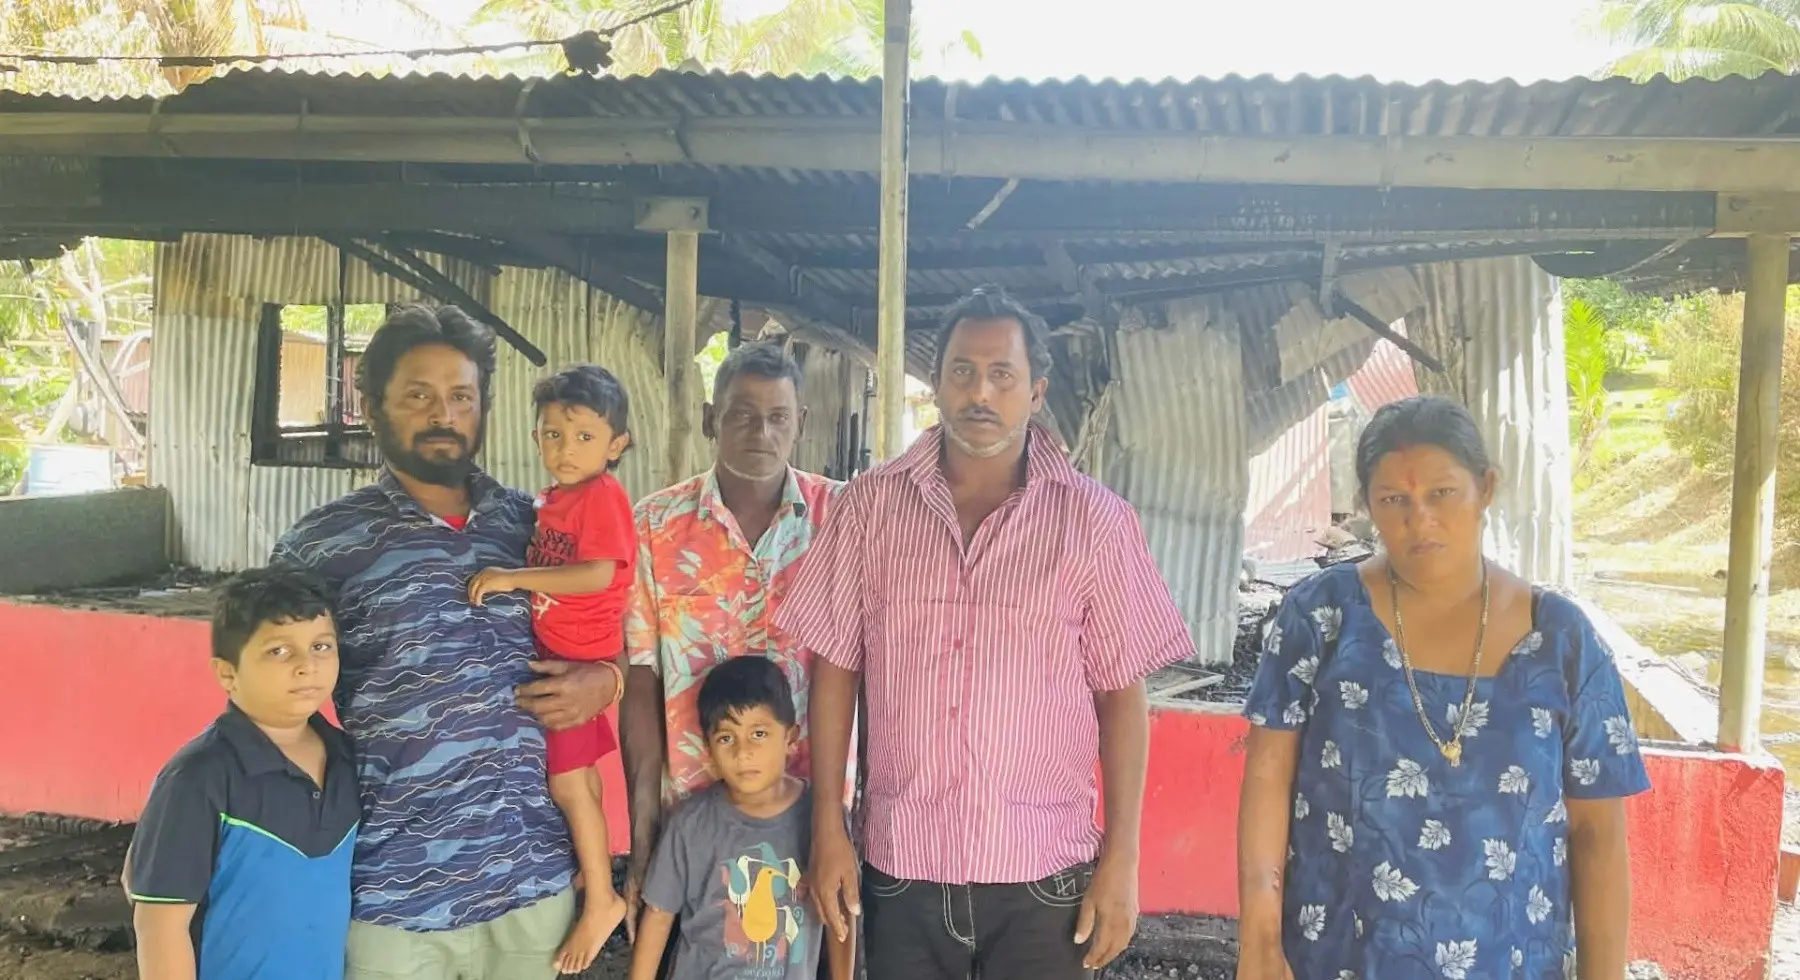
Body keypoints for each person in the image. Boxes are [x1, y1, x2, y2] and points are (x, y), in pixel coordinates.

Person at [780, 285, 1194, 980]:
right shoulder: (869, 509)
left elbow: (1123, 695)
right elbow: (835, 670)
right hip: (900, 866)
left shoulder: (1096, 522)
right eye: (962, 372)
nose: (981, 392)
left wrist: (1122, 859)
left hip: (1045, 874)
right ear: (935, 385)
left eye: (1003, 374)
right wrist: (829, 826)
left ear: (1036, 392)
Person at [1235, 395, 1649, 980]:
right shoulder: (1321, 618)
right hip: (1337, 959)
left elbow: (1598, 834)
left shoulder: (1562, 642)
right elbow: (1267, 780)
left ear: (1486, 488)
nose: (1419, 519)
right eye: (1394, 499)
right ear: (1369, 508)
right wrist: (1257, 940)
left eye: (1442, 493)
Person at [271, 304, 621, 980]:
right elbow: (273, 708)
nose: (444, 413)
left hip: (532, 885)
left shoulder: (536, 523)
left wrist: (607, 680)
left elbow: (615, 633)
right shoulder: (321, 545)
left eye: (461, 396)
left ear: (484, 409)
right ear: (370, 407)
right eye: (419, 395)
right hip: (393, 894)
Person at [619, 339, 842, 944]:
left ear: (803, 424)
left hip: (812, 818)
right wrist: (643, 832)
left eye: (778, 417)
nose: (760, 431)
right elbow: (641, 677)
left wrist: (848, 820)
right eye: (742, 414)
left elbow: (863, 670)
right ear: (710, 419)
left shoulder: (842, 522)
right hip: (694, 819)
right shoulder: (654, 526)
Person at [468, 363, 636, 974]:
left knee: (568, 787)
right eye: (552, 434)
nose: (566, 449)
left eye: (585, 436)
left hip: (577, 668)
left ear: (616, 445)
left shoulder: (602, 497)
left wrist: (514, 577)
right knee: (581, 784)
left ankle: (601, 899)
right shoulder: (556, 500)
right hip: (569, 657)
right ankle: (598, 890)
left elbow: (598, 572)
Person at [126, 568, 358, 980]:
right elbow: (160, 923)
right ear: (227, 674)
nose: (307, 666)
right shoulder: (199, 777)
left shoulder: (348, 757)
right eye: (279, 652)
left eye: (322, 646)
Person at [629, 655, 855, 980]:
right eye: (726, 738)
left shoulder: (823, 821)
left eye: (759, 734)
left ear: (791, 738)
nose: (742, 752)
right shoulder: (690, 824)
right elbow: (659, 916)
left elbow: (842, 912)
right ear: (708, 748)